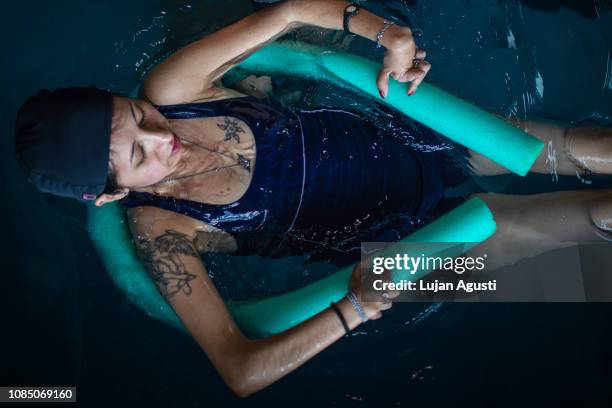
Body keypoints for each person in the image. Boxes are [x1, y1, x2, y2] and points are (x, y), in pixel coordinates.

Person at [14, 0, 612, 397]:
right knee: (590, 225)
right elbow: (239, 370)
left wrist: (387, 34)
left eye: (137, 117)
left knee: (584, 147)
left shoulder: (173, 87)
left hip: (413, 140)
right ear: (111, 194)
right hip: (401, 250)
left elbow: (291, 10)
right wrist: (354, 307)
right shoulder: (164, 233)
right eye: (139, 156)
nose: (161, 137)